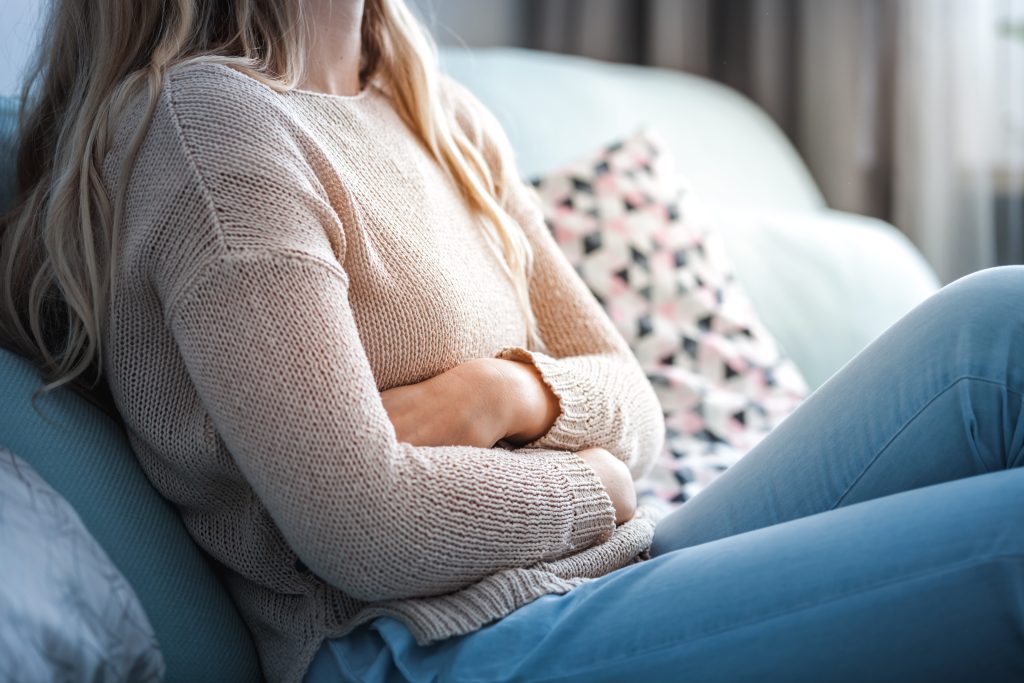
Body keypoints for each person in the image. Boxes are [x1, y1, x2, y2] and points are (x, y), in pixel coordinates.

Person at [0, 0, 1020, 682]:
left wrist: (502, 393)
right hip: (437, 647)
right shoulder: (211, 127)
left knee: (992, 330)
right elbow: (366, 528)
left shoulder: (431, 110)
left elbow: (635, 401)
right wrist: (597, 489)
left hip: (597, 570)